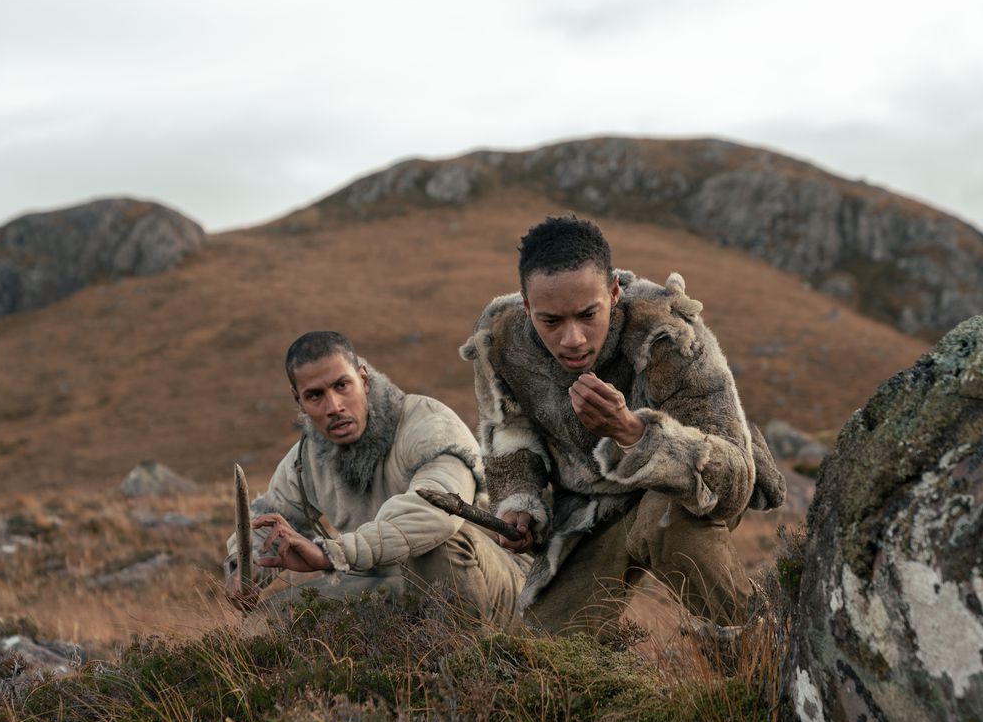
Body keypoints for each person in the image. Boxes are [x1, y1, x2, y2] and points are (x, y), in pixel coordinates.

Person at [460, 216, 785, 634]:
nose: (573, 339)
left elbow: (735, 478)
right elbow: (509, 434)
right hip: (589, 511)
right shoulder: (502, 340)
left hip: (680, 494)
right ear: (526, 306)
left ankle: (765, 650)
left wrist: (634, 434)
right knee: (547, 652)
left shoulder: (668, 335)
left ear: (613, 291)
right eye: (551, 321)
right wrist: (518, 506)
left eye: (587, 314)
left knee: (668, 525)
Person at [224, 331, 525, 626]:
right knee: (264, 624)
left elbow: (437, 514)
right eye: (315, 395)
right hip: (387, 583)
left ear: (364, 380)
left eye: (342, 386)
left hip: (495, 583)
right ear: (299, 401)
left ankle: (471, 665)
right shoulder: (306, 459)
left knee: (440, 544)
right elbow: (267, 520)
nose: (333, 407)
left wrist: (333, 554)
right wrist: (245, 569)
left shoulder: (429, 424)